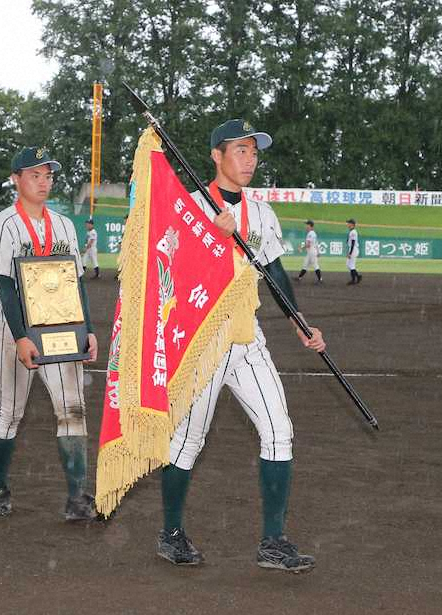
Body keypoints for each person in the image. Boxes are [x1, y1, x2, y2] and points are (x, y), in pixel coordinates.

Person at [155, 118, 325, 573]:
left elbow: (275, 272)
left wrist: (299, 321)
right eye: (240, 150)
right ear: (217, 155)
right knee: (187, 441)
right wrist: (214, 235)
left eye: (254, 151)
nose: (250, 159)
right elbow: (166, 273)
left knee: (279, 432)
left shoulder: (261, 213)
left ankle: (274, 541)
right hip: (202, 340)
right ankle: (171, 532)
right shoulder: (192, 207)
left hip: (247, 337)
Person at [0, 146, 98, 522]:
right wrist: (20, 337)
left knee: (72, 408)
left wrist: (89, 330)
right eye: (35, 175)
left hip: (61, 328)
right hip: (14, 330)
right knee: (9, 413)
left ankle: (77, 496)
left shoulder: (63, 225)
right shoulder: (3, 224)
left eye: (48, 176)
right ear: (16, 179)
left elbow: (74, 283)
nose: (43, 182)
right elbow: (3, 285)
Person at [296, 220, 322, 284]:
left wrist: (301, 248)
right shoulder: (313, 233)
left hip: (312, 252)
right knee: (305, 265)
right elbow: (316, 243)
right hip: (311, 252)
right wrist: (318, 252)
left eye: (307, 225)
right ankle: (299, 277)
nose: (306, 226)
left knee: (315, 265)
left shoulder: (310, 233)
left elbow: (308, 245)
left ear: (310, 226)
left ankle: (320, 279)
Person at [346, 218, 362, 285]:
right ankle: (358, 277)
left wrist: (350, 253)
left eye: (349, 223)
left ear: (352, 224)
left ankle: (353, 280)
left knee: (351, 265)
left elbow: (353, 242)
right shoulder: (352, 231)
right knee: (348, 264)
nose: (347, 224)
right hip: (353, 249)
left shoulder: (353, 232)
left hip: (354, 249)